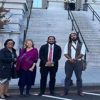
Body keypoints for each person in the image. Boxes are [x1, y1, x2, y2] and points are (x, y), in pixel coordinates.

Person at [63, 32, 86, 96]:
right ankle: (65, 91)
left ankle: (80, 92)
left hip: (78, 62)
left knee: (79, 77)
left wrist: (75, 59)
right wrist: (70, 59)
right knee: (67, 77)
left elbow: (82, 54)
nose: (73, 36)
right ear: (70, 37)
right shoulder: (68, 44)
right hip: (69, 62)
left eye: (74, 35)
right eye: (72, 36)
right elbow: (65, 53)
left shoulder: (81, 44)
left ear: (77, 36)